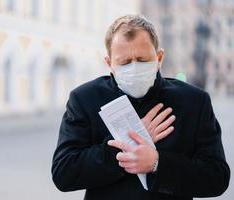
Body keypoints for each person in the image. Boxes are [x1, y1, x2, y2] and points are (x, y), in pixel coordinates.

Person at [51, 14, 230, 200]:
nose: (134, 67)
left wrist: (157, 163)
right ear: (109, 63)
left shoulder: (194, 101)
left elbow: (217, 177)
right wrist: (128, 143)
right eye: (125, 62)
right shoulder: (84, 99)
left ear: (159, 57)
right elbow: (63, 173)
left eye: (142, 60)